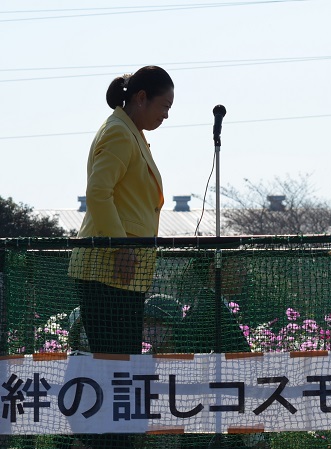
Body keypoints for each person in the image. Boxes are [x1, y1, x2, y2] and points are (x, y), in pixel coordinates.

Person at [67, 65, 174, 449]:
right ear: (140, 97)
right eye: (163, 105)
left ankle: (116, 442)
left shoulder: (132, 134)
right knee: (115, 376)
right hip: (107, 270)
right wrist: (121, 246)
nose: (166, 114)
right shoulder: (118, 131)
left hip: (122, 275)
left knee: (122, 374)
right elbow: (98, 192)